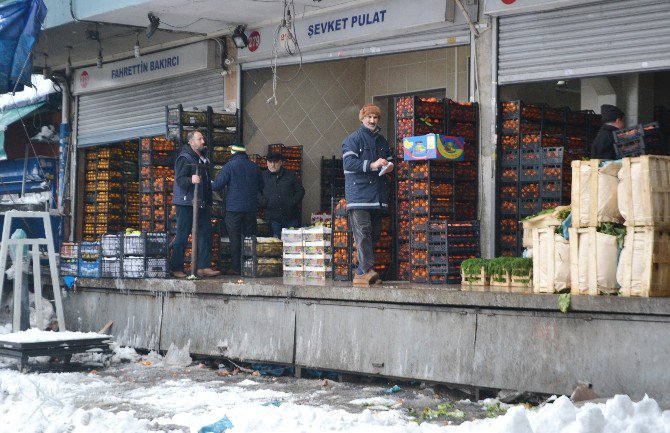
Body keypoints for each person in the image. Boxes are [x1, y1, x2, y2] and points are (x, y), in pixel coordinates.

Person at [342, 103, 394, 286]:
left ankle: (361, 269)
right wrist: (372, 165)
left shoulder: (382, 141)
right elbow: (349, 164)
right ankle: (365, 271)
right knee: (363, 232)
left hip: (377, 196)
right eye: (369, 117)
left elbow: (389, 161)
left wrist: (388, 167)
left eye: (375, 118)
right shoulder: (352, 140)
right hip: (358, 196)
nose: (372, 121)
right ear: (362, 119)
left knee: (376, 234)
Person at [170, 130, 220, 278]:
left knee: (205, 233)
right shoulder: (184, 158)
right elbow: (180, 179)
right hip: (186, 203)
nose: (203, 141)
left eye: (203, 139)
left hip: (201, 203)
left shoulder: (203, 158)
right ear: (191, 142)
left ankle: (203, 266)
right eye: (199, 139)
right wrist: (191, 180)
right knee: (182, 235)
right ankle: (176, 267)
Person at [212, 144, 263, 275]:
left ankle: (236, 267)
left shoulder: (229, 166)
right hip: (251, 208)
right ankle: (249, 265)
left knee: (234, 238)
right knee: (249, 237)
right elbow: (261, 187)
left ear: (233, 153)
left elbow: (217, 185)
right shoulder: (255, 167)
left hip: (233, 209)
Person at [258, 152, 305, 239]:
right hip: (272, 218)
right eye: (270, 162)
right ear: (267, 163)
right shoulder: (262, 176)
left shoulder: (290, 175)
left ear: (281, 162)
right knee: (274, 246)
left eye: (275, 162)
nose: (273, 165)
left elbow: (300, 191)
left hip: (290, 217)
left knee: (292, 245)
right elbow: (256, 192)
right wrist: (264, 202)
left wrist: (293, 202)